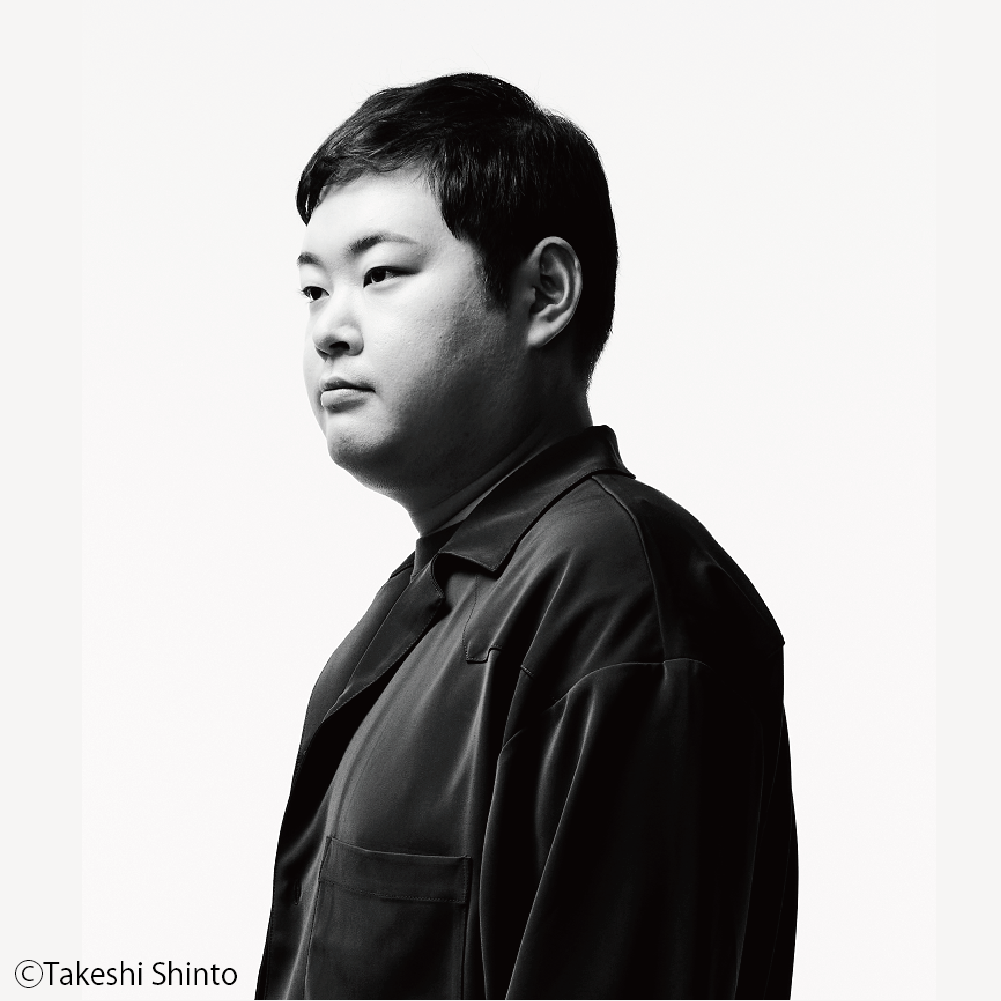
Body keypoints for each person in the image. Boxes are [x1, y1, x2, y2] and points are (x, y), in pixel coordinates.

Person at [256, 73, 797, 1000]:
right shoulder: (427, 610)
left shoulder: (620, 597)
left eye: (380, 273)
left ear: (544, 291)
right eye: (313, 289)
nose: (329, 330)